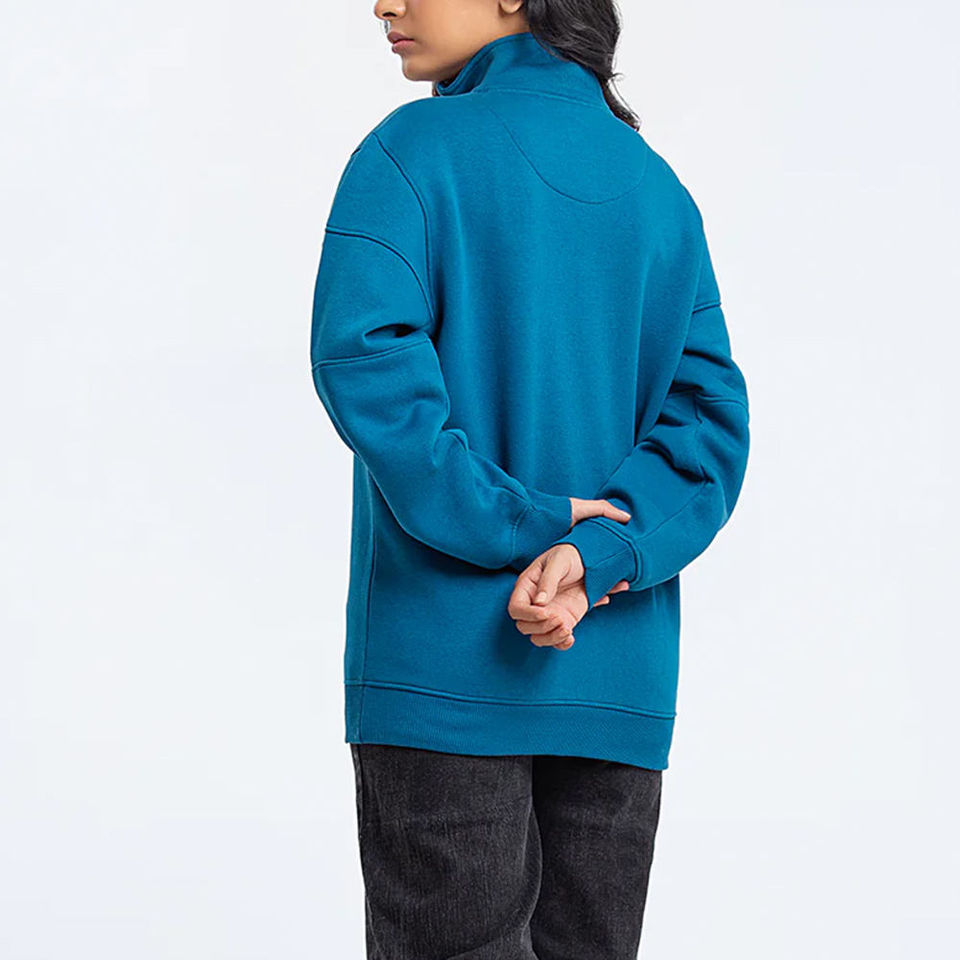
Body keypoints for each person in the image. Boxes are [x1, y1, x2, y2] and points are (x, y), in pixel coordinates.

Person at [310, 1, 751, 957]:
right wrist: (593, 556)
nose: (383, 4)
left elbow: (366, 367)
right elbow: (708, 430)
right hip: (614, 676)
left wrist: (522, 523)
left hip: (442, 671)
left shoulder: (412, 152)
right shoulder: (657, 189)